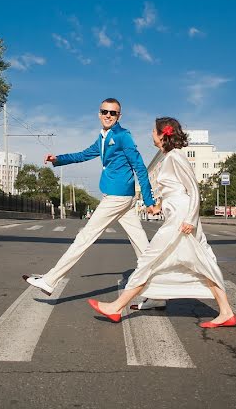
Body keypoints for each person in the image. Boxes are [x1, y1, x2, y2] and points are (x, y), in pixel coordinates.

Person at [87, 117, 236, 328]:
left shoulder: (175, 157)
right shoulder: (168, 157)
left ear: (162, 134)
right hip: (176, 214)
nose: (151, 134)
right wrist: (158, 206)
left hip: (181, 218)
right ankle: (226, 312)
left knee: (150, 259)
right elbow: (172, 189)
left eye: (153, 131)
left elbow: (193, 190)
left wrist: (190, 219)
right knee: (201, 262)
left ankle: (115, 307)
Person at [22, 98, 162, 308]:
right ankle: (159, 294)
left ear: (119, 117)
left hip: (117, 196)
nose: (107, 115)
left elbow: (140, 167)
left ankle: (50, 280)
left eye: (112, 113)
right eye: (104, 111)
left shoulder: (123, 136)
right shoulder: (103, 137)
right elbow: (84, 154)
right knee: (142, 245)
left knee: (85, 236)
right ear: (98, 113)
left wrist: (149, 200)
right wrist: (57, 159)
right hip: (119, 197)